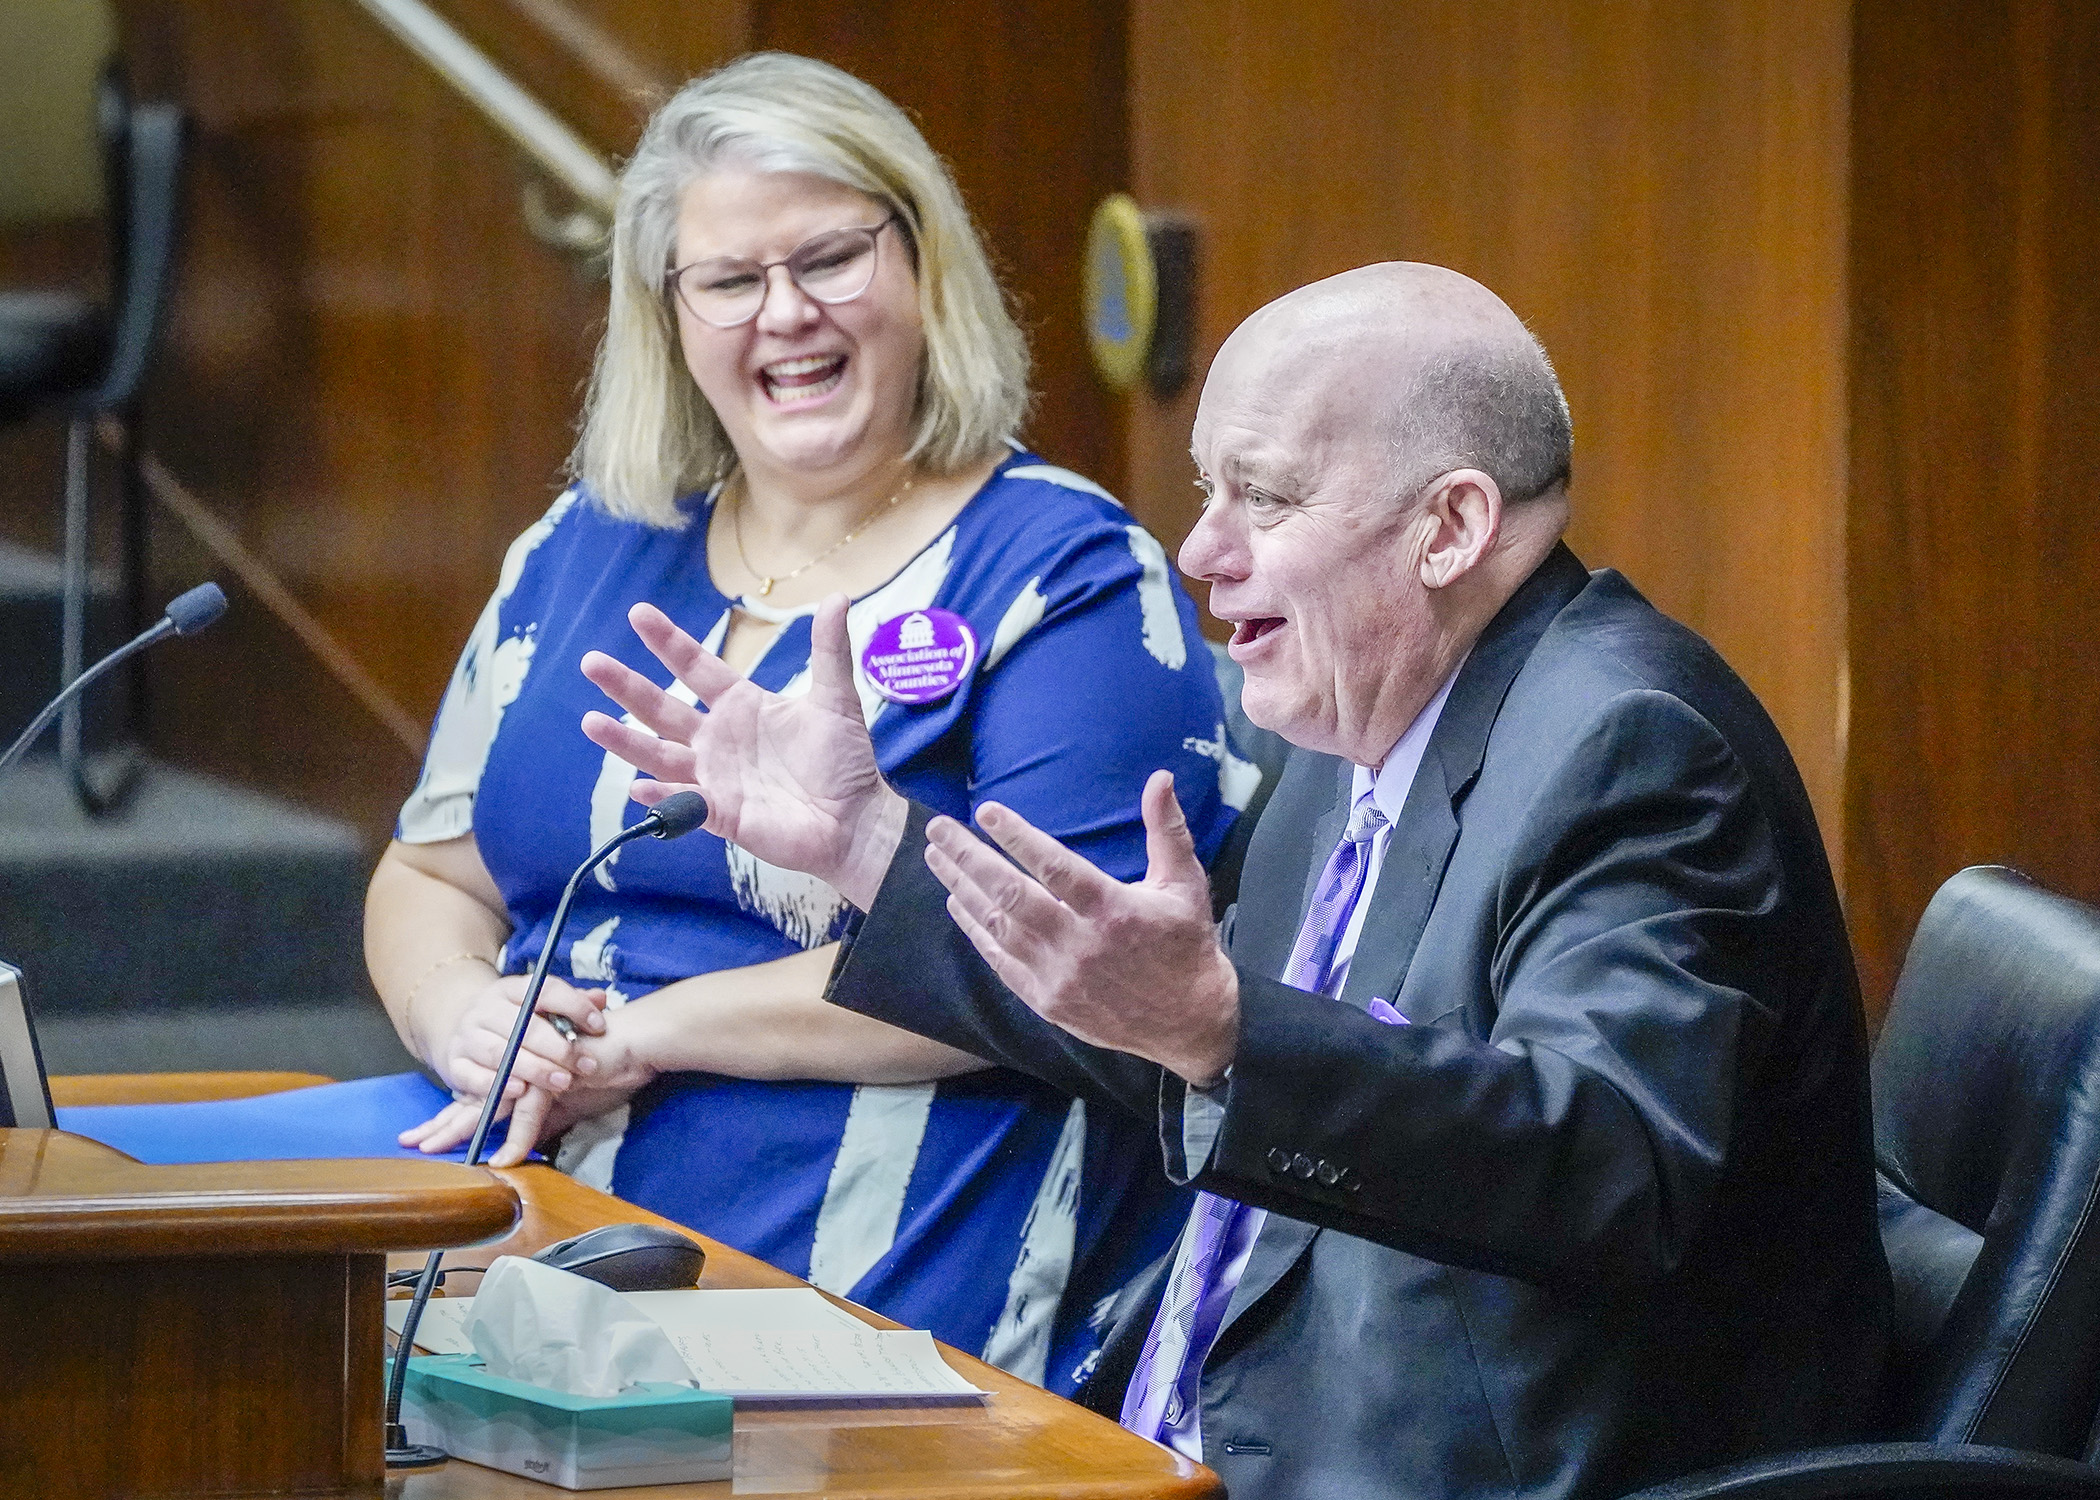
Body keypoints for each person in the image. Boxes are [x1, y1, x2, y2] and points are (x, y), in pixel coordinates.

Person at [580, 262, 1892, 1499]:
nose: (1202, 552)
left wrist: (1220, 1030)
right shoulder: (1350, 726)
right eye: (1211, 491)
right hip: (1212, 1428)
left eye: (1261, 496)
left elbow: (1609, 1165)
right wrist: (867, 843)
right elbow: (1176, 1042)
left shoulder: (1632, 743)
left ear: (1449, 526)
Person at [363, 52, 1251, 1395]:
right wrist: (464, 1019)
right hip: (514, 1207)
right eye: (729, 280)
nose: (785, 314)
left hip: (880, 1267)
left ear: (923, 270)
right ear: (667, 315)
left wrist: (647, 1031)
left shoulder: (1065, 571)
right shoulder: (580, 548)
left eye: (832, 258)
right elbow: (430, 871)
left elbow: (1078, 970)